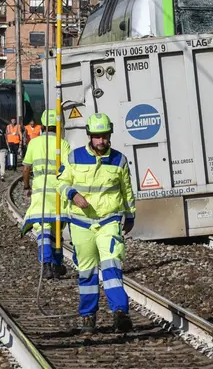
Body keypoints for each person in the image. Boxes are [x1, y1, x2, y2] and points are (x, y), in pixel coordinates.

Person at [57, 113, 136, 334]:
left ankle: (120, 313)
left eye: (104, 136)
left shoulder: (119, 160)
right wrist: (73, 194)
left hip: (109, 222)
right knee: (87, 272)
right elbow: (60, 182)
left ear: (109, 135)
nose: (101, 141)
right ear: (89, 136)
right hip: (81, 224)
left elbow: (127, 191)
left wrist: (130, 215)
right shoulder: (74, 158)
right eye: (97, 137)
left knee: (112, 265)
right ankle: (88, 315)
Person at [21, 109, 70, 279]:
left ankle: (47, 264)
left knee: (43, 229)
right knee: (57, 229)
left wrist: (26, 185)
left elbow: (26, 168)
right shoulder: (62, 144)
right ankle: (57, 264)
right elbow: (69, 167)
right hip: (58, 192)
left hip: (41, 192)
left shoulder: (34, 143)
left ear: (42, 126)